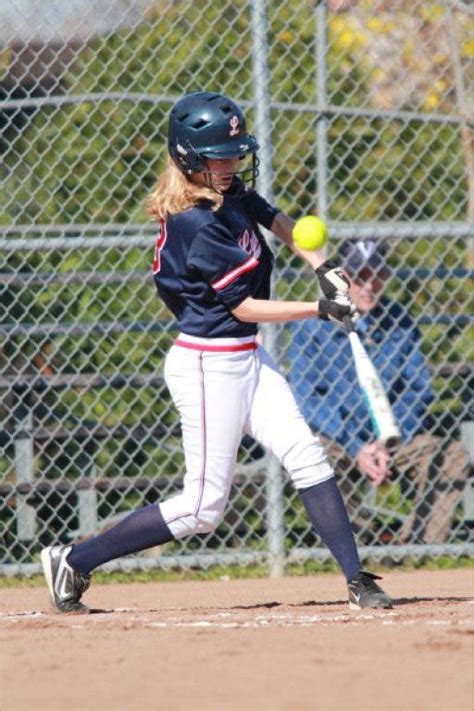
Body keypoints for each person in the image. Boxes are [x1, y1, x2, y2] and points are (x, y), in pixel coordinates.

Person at [40, 91, 392, 613]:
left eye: (233, 153)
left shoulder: (227, 193)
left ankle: (357, 579)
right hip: (208, 366)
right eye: (218, 157)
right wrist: (321, 308)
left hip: (248, 359)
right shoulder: (194, 223)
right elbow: (246, 307)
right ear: (189, 159)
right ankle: (74, 558)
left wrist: (323, 268)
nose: (230, 164)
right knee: (204, 507)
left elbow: (280, 223)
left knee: (306, 454)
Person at [288, 239, 469, 544]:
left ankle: (418, 547)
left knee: (452, 456)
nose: (370, 285)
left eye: (379, 275)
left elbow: (417, 388)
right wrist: (356, 444)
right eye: (361, 276)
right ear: (342, 276)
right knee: (315, 453)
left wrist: (388, 438)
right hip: (338, 437)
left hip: (393, 436)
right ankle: (358, 544)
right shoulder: (313, 322)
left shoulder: (398, 320)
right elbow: (308, 397)